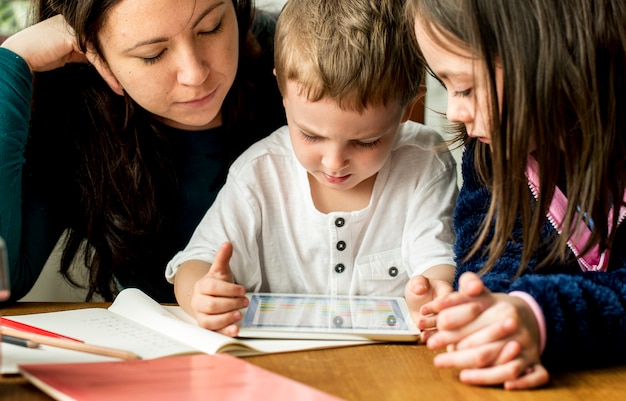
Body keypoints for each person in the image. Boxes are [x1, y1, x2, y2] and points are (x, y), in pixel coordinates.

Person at [165, 0, 459, 336]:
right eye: (311, 135)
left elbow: (437, 259)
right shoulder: (260, 173)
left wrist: (435, 296)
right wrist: (201, 295)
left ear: (407, 108)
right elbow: (195, 262)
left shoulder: (426, 162)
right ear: (283, 93)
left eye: (366, 142)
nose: (334, 162)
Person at [0, 0, 285, 304]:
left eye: (210, 27)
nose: (195, 74)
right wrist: (15, 59)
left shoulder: (297, 57)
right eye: (152, 54)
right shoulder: (70, 117)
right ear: (92, 51)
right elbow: (4, 283)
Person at [406, 0, 626, 391]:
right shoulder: (492, 155)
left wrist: (538, 314)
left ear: (550, 52)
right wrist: (488, 316)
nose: (454, 111)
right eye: (446, 87)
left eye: (466, 87)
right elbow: (491, 266)